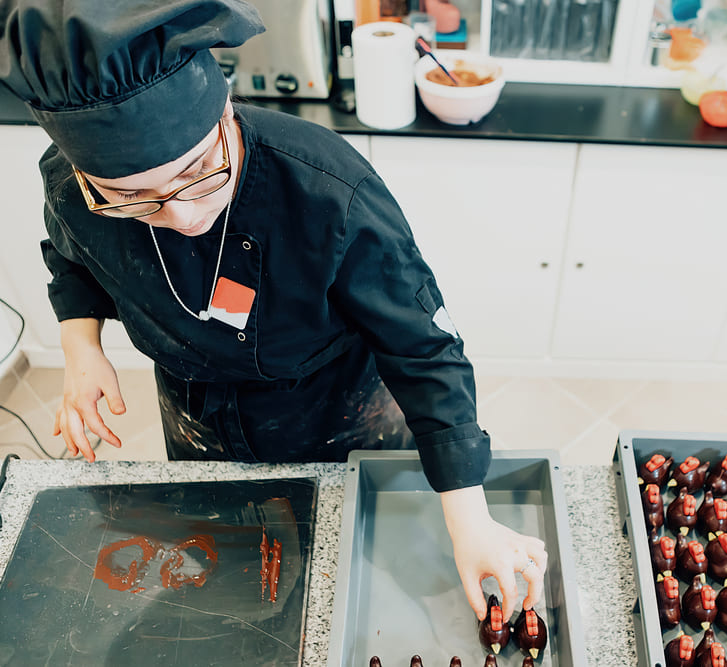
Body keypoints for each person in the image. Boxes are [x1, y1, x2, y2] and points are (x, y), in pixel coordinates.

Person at [0, 0, 546, 622]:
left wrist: (468, 515)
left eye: (201, 171)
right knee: (232, 580)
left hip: (335, 413)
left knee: (344, 585)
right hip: (195, 413)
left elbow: (424, 347)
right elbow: (68, 256)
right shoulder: (73, 187)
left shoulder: (327, 188)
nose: (181, 216)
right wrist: (81, 346)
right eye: (134, 200)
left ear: (226, 113)